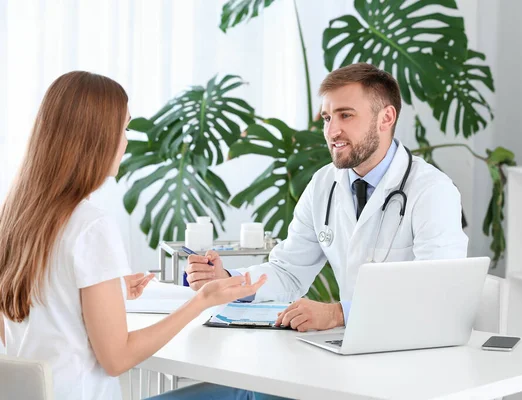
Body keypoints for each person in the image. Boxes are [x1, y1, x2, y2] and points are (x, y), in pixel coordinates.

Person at [0, 71, 267, 400]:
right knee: (244, 393)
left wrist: (107, 290)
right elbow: (116, 359)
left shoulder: (14, 217)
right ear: (96, 137)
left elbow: (15, 329)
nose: (125, 140)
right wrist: (201, 301)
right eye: (123, 128)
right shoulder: (91, 225)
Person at [185, 62, 468, 332]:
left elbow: (436, 292)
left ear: (386, 118)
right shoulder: (324, 183)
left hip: (414, 352)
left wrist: (338, 313)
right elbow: (289, 271)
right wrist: (228, 281)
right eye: (327, 117)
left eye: (346, 115)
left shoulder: (432, 191)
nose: (332, 131)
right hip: (351, 346)